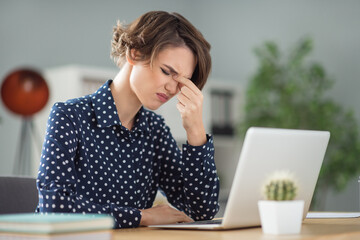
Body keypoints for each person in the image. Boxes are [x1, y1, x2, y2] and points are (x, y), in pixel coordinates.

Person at [36, 11, 220, 229]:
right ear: (135, 53)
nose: (173, 88)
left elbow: (201, 211)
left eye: (182, 81)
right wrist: (142, 216)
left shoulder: (155, 130)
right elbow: (54, 207)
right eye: (166, 71)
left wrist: (196, 132)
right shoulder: (69, 117)